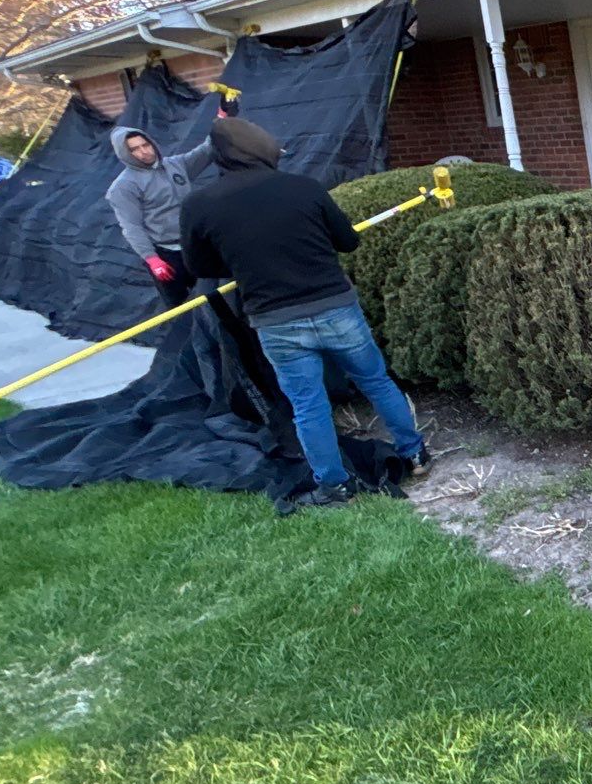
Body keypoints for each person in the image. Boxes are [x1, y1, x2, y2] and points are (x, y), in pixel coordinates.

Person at [179, 117, 430, 507]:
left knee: (308, 404)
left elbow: (200, 267)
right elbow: (347, 241)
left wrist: (243, 259)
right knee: (376, 382)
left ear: (218, 156)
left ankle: (334, 487)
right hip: (336, 307)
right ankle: (414, 454)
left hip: (276, 321)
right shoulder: (303, 187)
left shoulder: (200, 205)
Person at [105, 126, 216, 308]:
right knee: (181, 308)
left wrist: (221, 120)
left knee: (216, 296)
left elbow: (206, 150)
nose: (143, 152)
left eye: (145, 145)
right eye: (134, 149)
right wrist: (152, 259)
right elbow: (131, 227)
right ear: (125, 155)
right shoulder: (123, 187)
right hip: (166, 256)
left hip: (195, 245)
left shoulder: (176, 165)